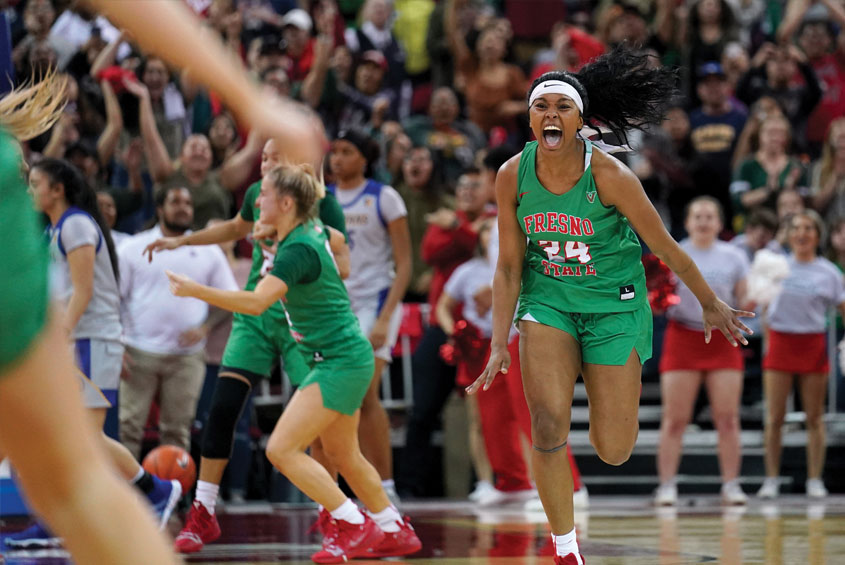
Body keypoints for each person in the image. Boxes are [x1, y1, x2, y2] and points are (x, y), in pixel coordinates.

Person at [468, 47, 753, 564]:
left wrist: (711, 303)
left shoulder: (612, 176)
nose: (550, 115)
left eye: (562, 107)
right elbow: (509, 267)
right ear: (529, 117)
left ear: (580, 120)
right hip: (547, 303)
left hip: (614, 309)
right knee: (548, 423)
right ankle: (565, 547)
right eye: (541, 107)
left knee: (614, 448)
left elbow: (665, 248)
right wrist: (498, 342)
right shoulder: (512, 173)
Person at [165, 163, 421, 563]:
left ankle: (354, 522)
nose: (257, 200)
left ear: (285, 203)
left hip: (339, 362)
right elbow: (337, 244)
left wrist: (195, 289)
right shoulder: (308, 231)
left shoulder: (297, 249)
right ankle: (393, 528)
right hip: (343, 357)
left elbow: (255, 302)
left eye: (264, 194)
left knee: (282, 449)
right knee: (345, 455)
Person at [0, 72, 178, 565]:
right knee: (65, 440)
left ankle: (154, 490)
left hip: (89, 338)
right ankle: (138, 495)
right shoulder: (52, 227)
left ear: (57, 189)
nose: (28, 183)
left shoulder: (76, 224)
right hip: (74, 339)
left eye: (35, 180)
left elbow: (81, 292)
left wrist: (58, 336)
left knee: (86, 440)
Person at [144, 138, 348, 554]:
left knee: (323, 427)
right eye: (264, 157)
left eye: (275, 158)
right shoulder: (259, 195)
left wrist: (295, 239)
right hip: (254, 318)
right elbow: (235, 229)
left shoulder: (319, 202)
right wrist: (182, 241)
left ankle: (335, 515)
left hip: (298, 319)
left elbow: (341, 263)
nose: (265, 165)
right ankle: (203, 512)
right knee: (221, 410)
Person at [117, 185, 238, 460]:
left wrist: (205, 327)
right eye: (175, 201)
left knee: (177, 430)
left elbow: (229, 298)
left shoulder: (207, 250)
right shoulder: (133, 247)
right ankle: (127, 493)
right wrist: (117, 342)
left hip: (186, 358)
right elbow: (114, 298)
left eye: (187, 202)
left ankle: (174, 492)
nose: (183, 207)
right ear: (160, 208)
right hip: (137, 351)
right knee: (129, 428)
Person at [328, 129, 412, 503]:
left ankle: (385, 485)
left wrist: (385, 318)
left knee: (364, 394)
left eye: (346, 151)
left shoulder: (385, 197)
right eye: (334, 152)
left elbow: (406, 263)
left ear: (364, 158)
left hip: (375, 302)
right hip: (334, 307)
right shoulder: (322, 199)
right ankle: (344, 487)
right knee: (335, 400)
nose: (337, 159)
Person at [654, 197, 751, 507]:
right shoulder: (673, 251)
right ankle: (666, 486)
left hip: (723, 339)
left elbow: (745, 298)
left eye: (710, 216)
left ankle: (731, 485)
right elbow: (657, 295)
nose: (704, 221)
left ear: (720, 223)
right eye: (698, 216)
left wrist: (759, 296)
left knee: (727, 418)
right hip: (683, 337)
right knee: (675, 419)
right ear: (688, 222)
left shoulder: (734, 256)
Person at [757, 210, 845, 500]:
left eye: (809, 228)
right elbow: (760, 303)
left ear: (818, 236)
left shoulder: (829, 272)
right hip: (781, 342)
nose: (802, 233)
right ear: (789, 234)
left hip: (812, 344)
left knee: (815, 417)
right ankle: (770, 479)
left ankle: (814, 479)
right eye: (797, 228)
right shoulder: (776, 266)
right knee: (775, 417)